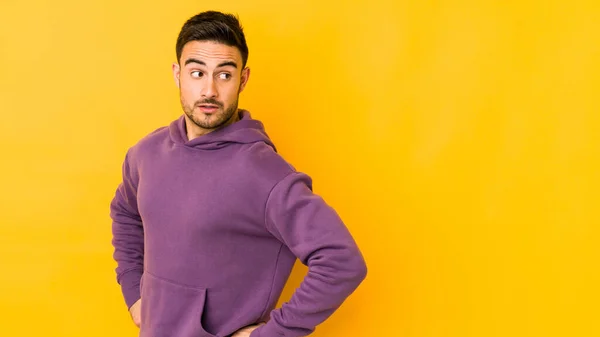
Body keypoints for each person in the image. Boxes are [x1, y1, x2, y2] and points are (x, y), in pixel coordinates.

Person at [110, 10, 367, 337]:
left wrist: (270, 334)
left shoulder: (263, 173)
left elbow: (342, 261)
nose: (209, 91)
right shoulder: (146, 153)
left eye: (225, 75)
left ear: (243, 79)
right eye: (197, 73)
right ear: (177, 74)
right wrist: (135, 292)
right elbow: (124, 211)